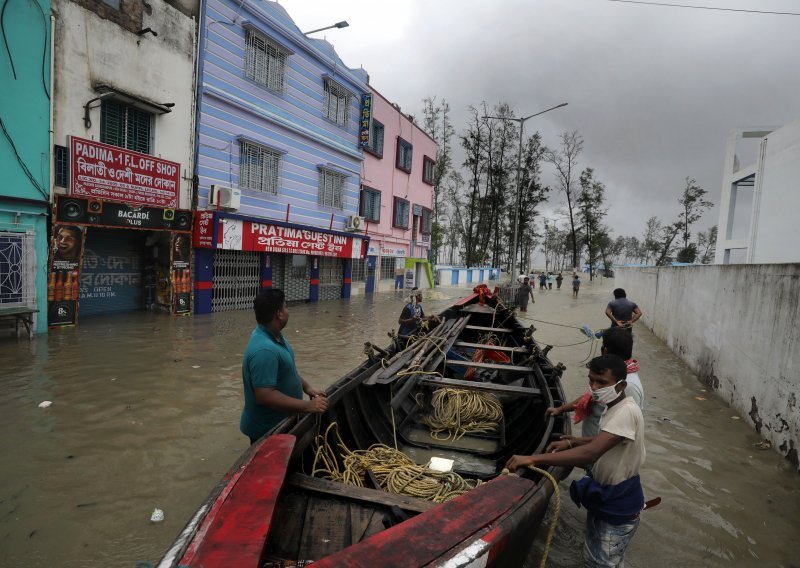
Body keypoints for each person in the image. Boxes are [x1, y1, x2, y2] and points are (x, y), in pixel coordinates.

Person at [507, 354, 646, 568]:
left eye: (602, 382)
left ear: (621, 385)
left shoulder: (626, 411)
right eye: (591, 380)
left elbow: (591, 453)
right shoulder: (614, 406)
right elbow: (606, 439)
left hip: (617, 504)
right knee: (598, 558)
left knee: (601, 563)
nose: (594, 386)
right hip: (607, 498)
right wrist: (573, 442)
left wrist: (532, 458)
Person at [240, 289, 328, 444]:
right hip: (268, 430)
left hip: (282, 422)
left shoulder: (275, 336)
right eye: (286, 307)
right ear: (279, 314)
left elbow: (287, 370)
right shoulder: (264, 350)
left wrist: (307, 387)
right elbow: (265, 395)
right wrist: (308, 406)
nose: (288, 311)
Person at [546, 327, 645, 438]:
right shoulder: (610, 376)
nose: (594, 386)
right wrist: (560, 409)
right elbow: (591, 396)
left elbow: (623, 432)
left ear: (605, 350)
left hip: (601, 450)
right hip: (590, 442)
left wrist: (576, 442)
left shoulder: (627, 385)